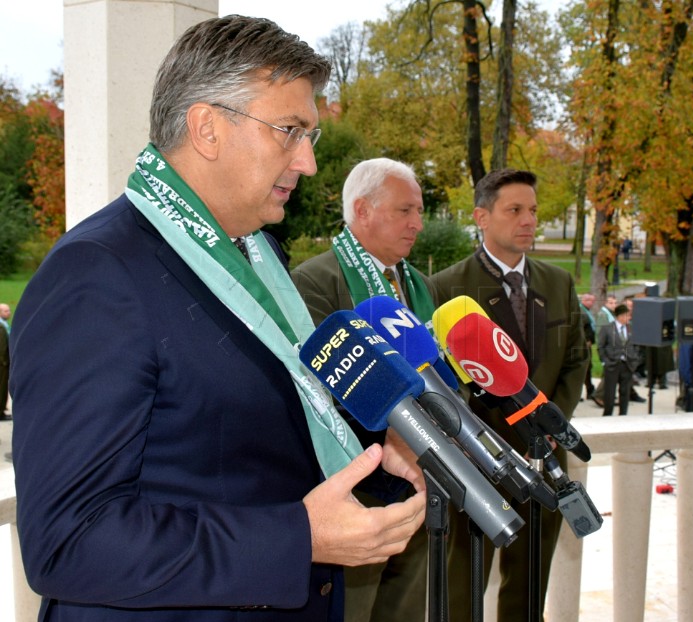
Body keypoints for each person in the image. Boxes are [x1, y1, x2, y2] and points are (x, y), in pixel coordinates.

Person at [9, 16, 426, 622]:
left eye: (308, 134)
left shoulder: (257, 258)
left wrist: (373, 465)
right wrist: (298, 539)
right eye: (289, 131)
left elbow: (251, 450)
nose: (307, 162)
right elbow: (69, 540)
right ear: (206, 127)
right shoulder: (95, 277)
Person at [431, 168, 589, 621]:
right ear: (482, 217)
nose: (528, 220)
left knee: (529, 587)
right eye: (515, 210)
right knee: (464, 583)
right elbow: (442, 379)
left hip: (547, 459)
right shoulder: (446, 287)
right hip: (479, 462)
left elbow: (577, 358)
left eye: (533, 210)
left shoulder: (558, 284)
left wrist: (552, 422)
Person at [291, 157, 434, 622]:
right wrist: (398, 439)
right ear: (363, 210)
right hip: (359, 486)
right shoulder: (315, 281)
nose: (417, 223)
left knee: (407, 609)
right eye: (405, 211)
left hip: (422, 478)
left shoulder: (420, 286)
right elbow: (321, 390)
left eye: (419, 211)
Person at [597, 304, 641, 416]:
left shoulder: (631, 328)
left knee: (625, 391)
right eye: (627, 315)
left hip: (627, 364)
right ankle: (607, 414)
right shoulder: (607, 328)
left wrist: (634, 360)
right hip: (612, 364)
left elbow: (637, 346)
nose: (629, 318)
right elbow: (601, 346)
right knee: (610, 392)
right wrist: (604, 361)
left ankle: (623, 414)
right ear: (620, 316)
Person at [579, 292, 597, 400]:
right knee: (583, 369)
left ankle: (590, 389)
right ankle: (583, 391)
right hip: (582, 346)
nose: (592, 303)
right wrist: (585, 341)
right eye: (590, 300)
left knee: (588, 369)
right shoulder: (581, 312)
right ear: (584, 300)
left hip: (587, 345)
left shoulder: (587, 311)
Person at [0, 303, 9, 419]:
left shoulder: (4, 325)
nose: (9, 313)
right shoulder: (1, 327)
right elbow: (2, 348)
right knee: (2, 387)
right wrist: (5, 362)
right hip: (2, 364)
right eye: (6, 311)